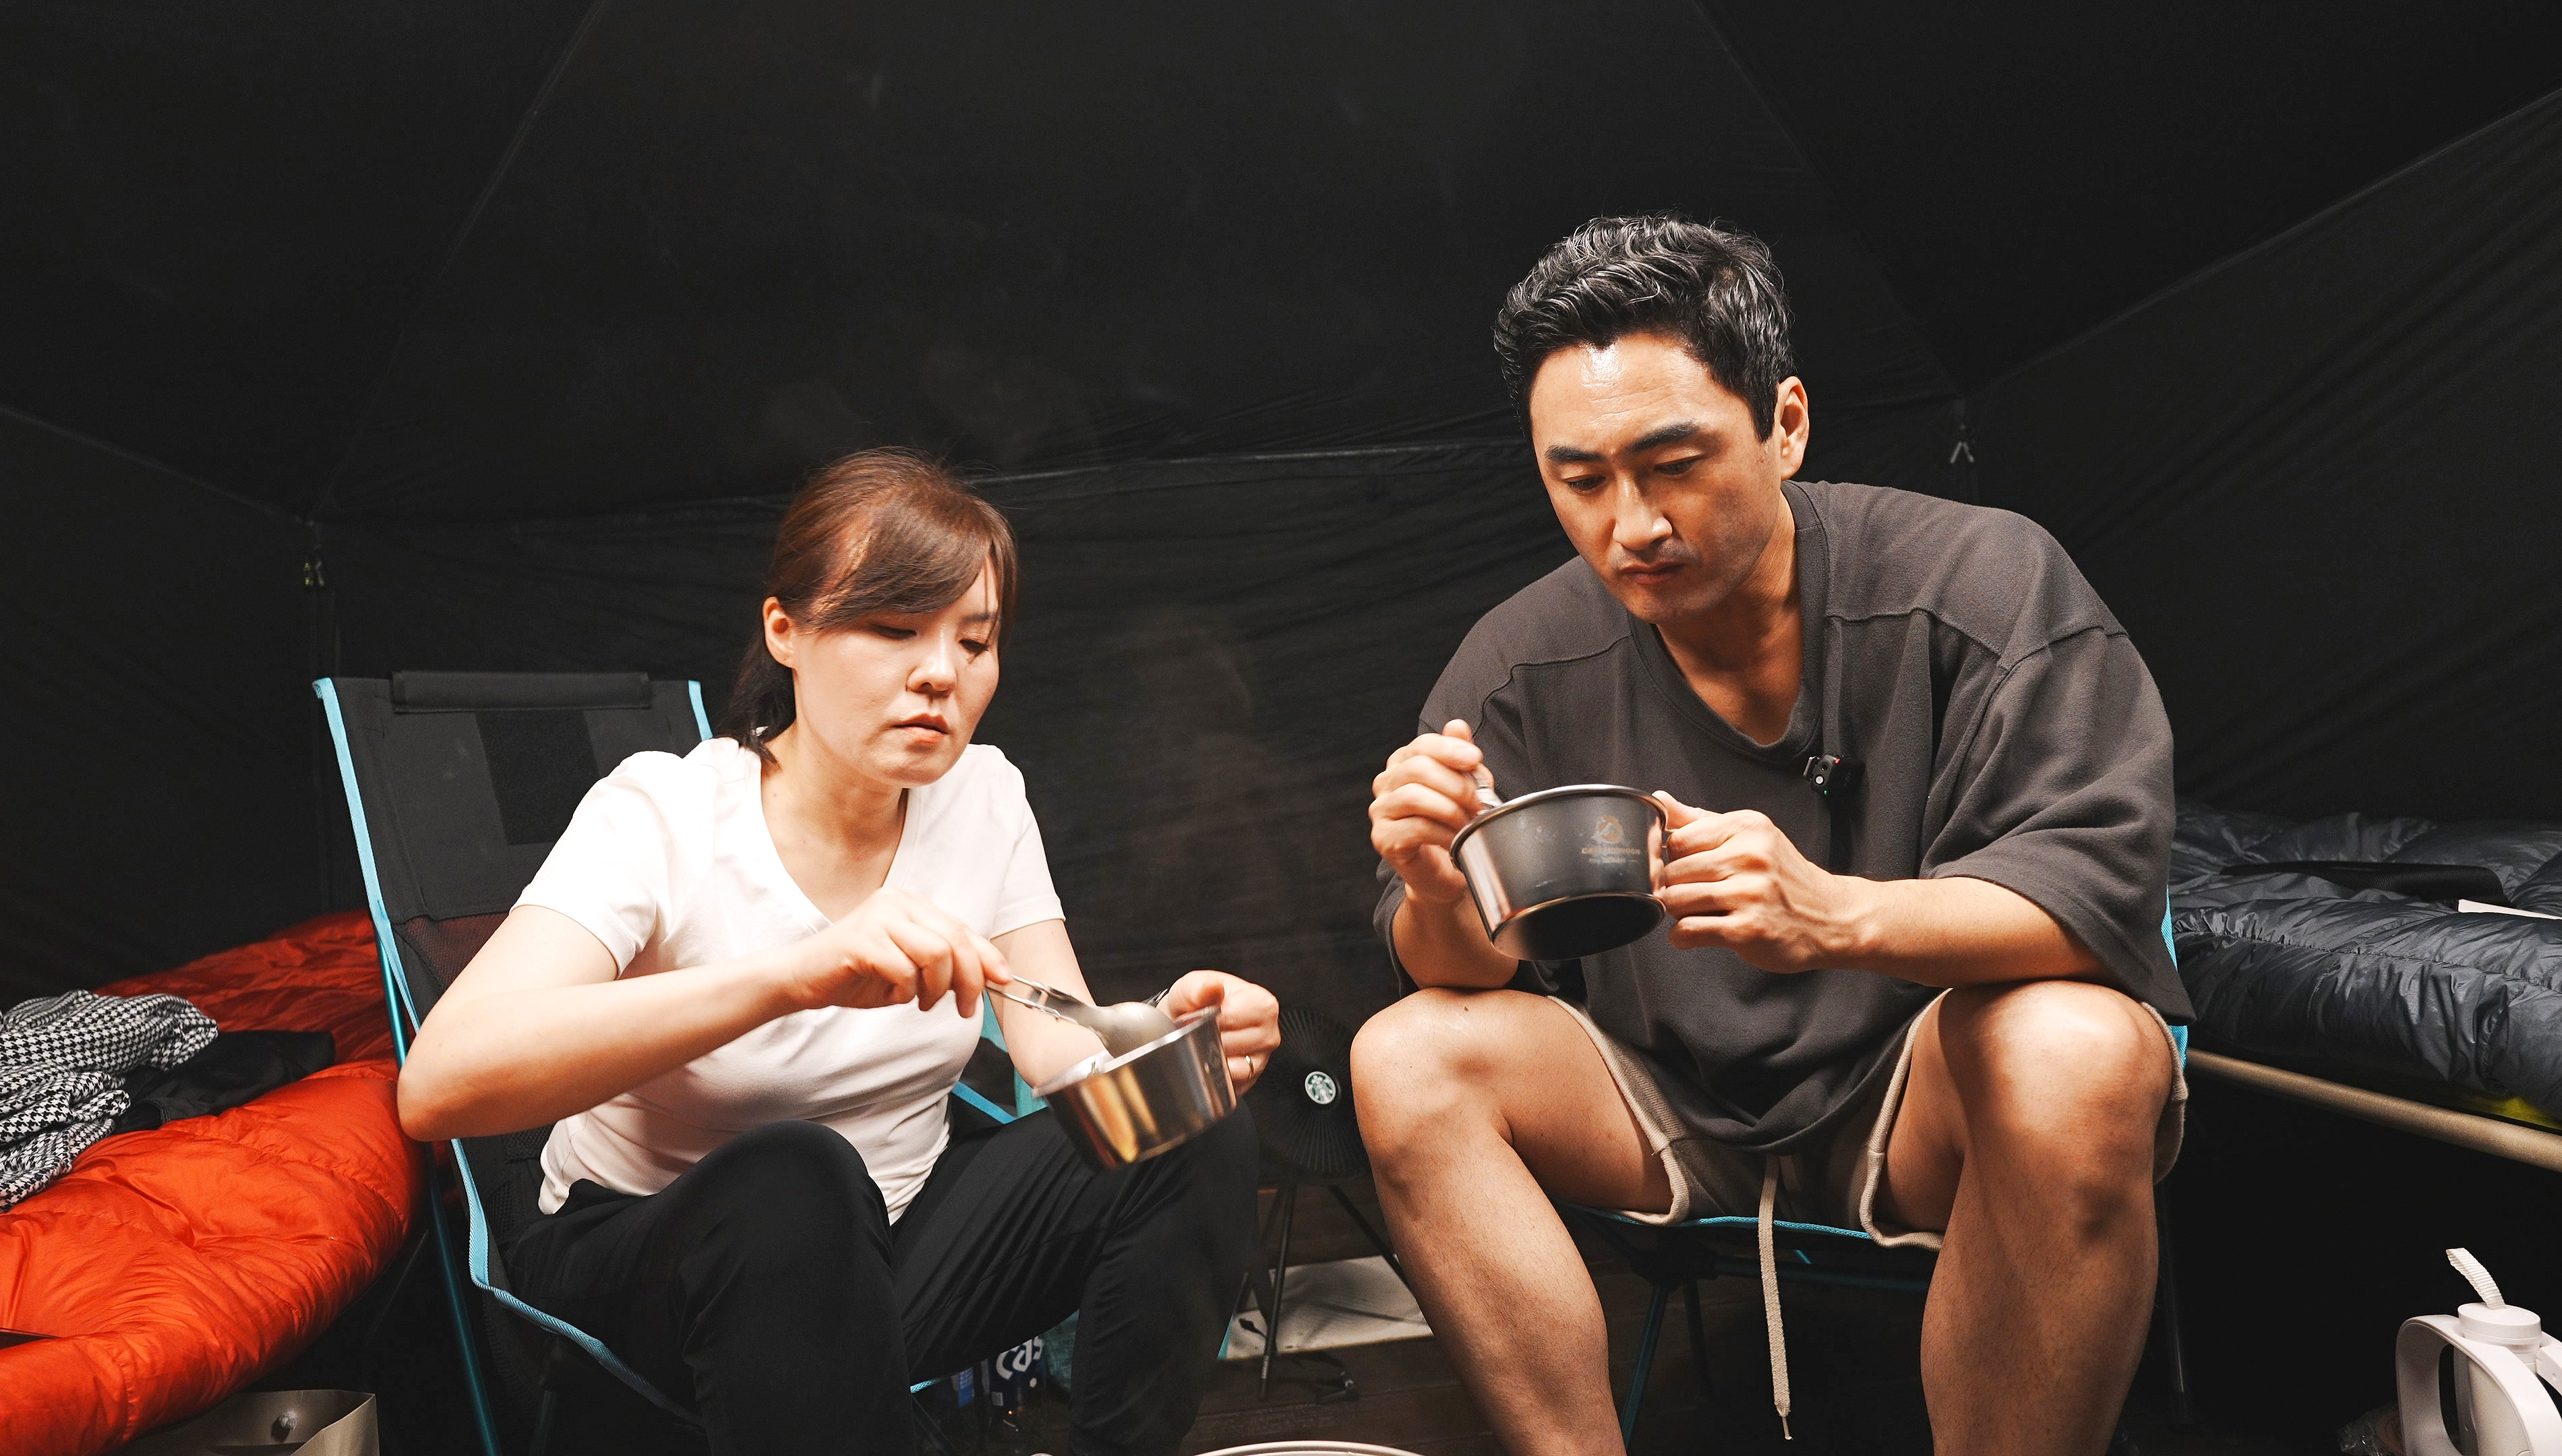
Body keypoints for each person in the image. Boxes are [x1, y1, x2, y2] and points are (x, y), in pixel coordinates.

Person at [1356, 216, 2188, 1456]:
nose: (1632, 526)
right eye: (1580, 481)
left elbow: (2098, 896)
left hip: (1919, 1098)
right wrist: (1438, 887)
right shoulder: (1523, 660)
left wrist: (1836, 914)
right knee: (1406, 1056)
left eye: (1673, 463)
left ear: (1785, 424)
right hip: (1663, 1110)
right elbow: (1456, 973)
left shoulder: (1978, 583)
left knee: (2076, 1046)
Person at [395, 449, 1278, 1456]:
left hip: (894, 1244)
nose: (941, 672)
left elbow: (1055, 1044)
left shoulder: (984, 796)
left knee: (1185, 1129)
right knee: (798, 1172)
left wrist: (1164, 1039)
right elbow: (441, 1086)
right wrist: (789, 978)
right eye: (894, 629)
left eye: (975, 641)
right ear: (786, 633)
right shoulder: (665, 814)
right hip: (651, 1267)